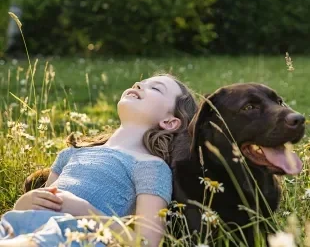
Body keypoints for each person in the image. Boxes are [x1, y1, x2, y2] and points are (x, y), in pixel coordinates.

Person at [0, 74, 197, 247]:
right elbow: (42, 204)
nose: (138, 84)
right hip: (21, 225)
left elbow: (146, 242)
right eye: (141, 82)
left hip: (73, 236)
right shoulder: (71, 154)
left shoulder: (150, 166)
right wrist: (23, 202)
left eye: (155, 88)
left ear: (169, 122)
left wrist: (85, 211)